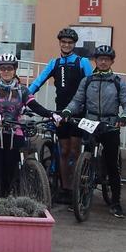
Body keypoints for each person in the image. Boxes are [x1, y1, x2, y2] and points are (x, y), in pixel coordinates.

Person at [60, 45, 126, 217]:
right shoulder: (87, 81)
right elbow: (77, 101)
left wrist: (124, 117)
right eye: (100, 58)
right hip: (90, 123)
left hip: (110, 126)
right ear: (95, 60)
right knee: (84, 162)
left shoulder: (118, 81)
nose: (102, 61)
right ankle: (80, 198)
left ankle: (116, 202)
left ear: (111, 61)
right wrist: (68, 110)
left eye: (106, 59)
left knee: (112, 165)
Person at [28, 28, 93, 200]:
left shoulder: (82, 62)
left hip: (79, 112)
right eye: (63, 42)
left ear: (74, 44)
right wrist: (23, 97)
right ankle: (66, 188)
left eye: (70, 42)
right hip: (60, 112)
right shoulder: (54, 63)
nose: (66, 45)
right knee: (63, 150)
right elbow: (38, 82)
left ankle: (78, 187)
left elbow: (92, 86)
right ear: (60, 43)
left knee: (75, 150)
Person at [0, 53, 53, 200]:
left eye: (9, 68)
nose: (6, 71)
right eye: (2, 68)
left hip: (16, 134)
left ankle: (8, 202)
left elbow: (34, 105)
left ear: (15, 70)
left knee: (11, 173)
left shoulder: (22, 90)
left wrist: (51, 114)